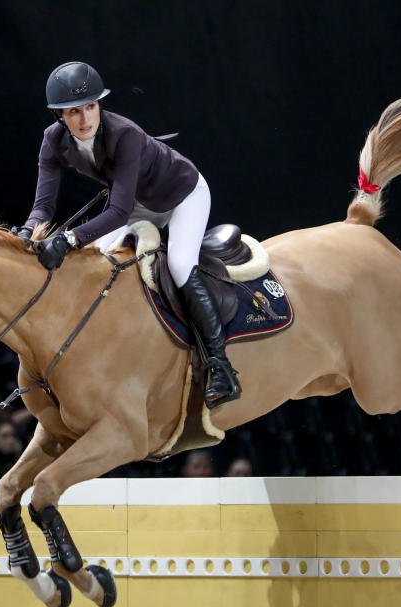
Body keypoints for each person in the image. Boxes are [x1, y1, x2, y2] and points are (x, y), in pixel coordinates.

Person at [19, 61, 240, 408]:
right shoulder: (52, 141)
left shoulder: (125, 134)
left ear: (99, 105)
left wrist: (69, 238)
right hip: (138, 202)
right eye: (73, 111)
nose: (84, 119)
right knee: (95, 263)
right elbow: (43, 206)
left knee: (181, 266)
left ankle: (221, 367)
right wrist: (27, 230)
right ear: (59, 116)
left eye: (90, 107)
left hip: (182, 195)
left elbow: (118, 213)